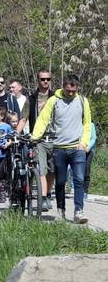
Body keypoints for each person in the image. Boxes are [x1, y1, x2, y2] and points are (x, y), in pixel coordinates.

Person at [32, 74, 92, 224]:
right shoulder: (54, 101)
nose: (70, 93)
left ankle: (79, 211)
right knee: (60, 182)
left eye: (73, 90)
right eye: (67, 90)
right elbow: (43, 120)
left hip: (77, 148)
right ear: (63, 87)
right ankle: (61, 211)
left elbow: (87, 124)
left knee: (79, 180)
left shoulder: (83, 101)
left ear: (77, 88)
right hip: (59, 148)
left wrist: (84, 143)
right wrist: (35, 137)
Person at [28, 69, 55, 211]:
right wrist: (16, 133)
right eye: (42, 79)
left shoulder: (56, 97)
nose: (45, 82)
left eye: (48, 79)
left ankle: (48, 193)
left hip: (55, 139)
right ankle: (43, 198)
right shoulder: (32, 99)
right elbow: (23, 117)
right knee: (42, 169)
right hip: (38, 140)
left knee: (52, 171)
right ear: (37, 80)